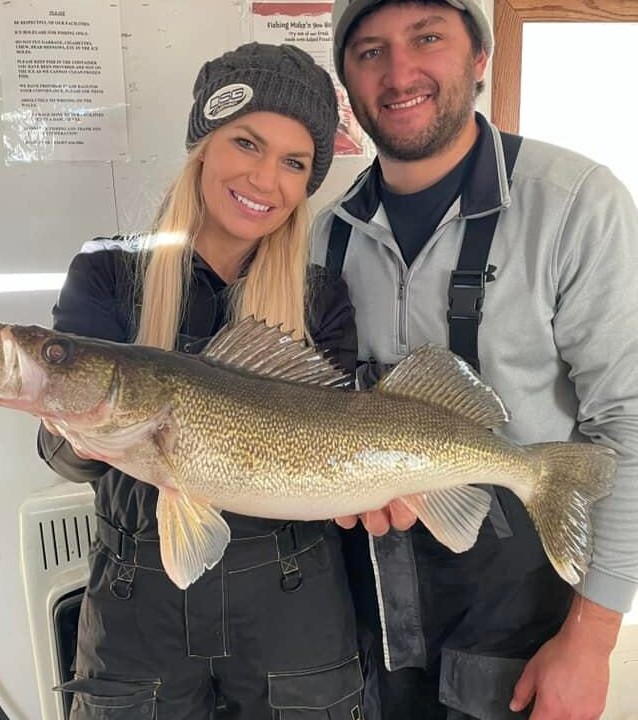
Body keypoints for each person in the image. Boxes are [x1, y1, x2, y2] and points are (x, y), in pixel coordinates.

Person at [311, 1, 638, 719]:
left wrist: (590, 642)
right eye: (370, 51)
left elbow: (631, 423)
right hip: (363, 623)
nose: (400, 73)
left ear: (480, 57)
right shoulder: (322, 234)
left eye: (426, 38)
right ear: (348, 81)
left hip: (521, 628)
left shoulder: (578, 205)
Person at [38, 42, 365, 720]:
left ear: (308, 183)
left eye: (294, 162)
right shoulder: (106, 273)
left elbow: (338, 455)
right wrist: (69, 433)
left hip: (293, 602)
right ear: (204, 146)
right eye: (247, 142)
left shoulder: (322, 298)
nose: (265, 177)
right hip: (137, 608)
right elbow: (63, 457)